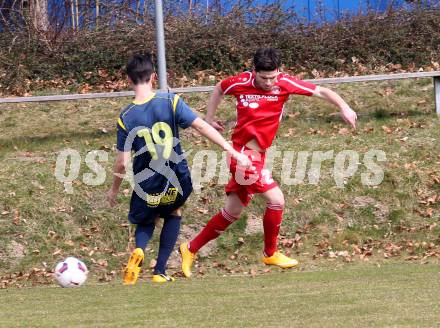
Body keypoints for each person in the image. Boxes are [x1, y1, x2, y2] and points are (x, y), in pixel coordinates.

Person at [179, 47, 357, 277]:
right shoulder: (240, 82)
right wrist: (209, 119)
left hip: (258, 156)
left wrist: (345, 106)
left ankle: (190, 248)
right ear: (254, 72)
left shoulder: (284, 83)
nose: (269, 82)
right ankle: (270, 253)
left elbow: (322, 91)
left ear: (279, 72)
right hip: (242, 155)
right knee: (276, 200)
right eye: (264, 78)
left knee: (232, 212)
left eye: (273, 77)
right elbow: (219, 88)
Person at [107, 54, 251, 284]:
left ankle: (140, 250)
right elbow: (201, 126)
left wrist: (113, 190)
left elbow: (122, 163)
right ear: (154, 77)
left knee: (146, 220)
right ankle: (160, 272)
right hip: (176, 175)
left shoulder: (125, 117)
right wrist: (230, 149)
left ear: (128, 80)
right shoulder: (170, 102)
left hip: (147, 181)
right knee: (174, 212)